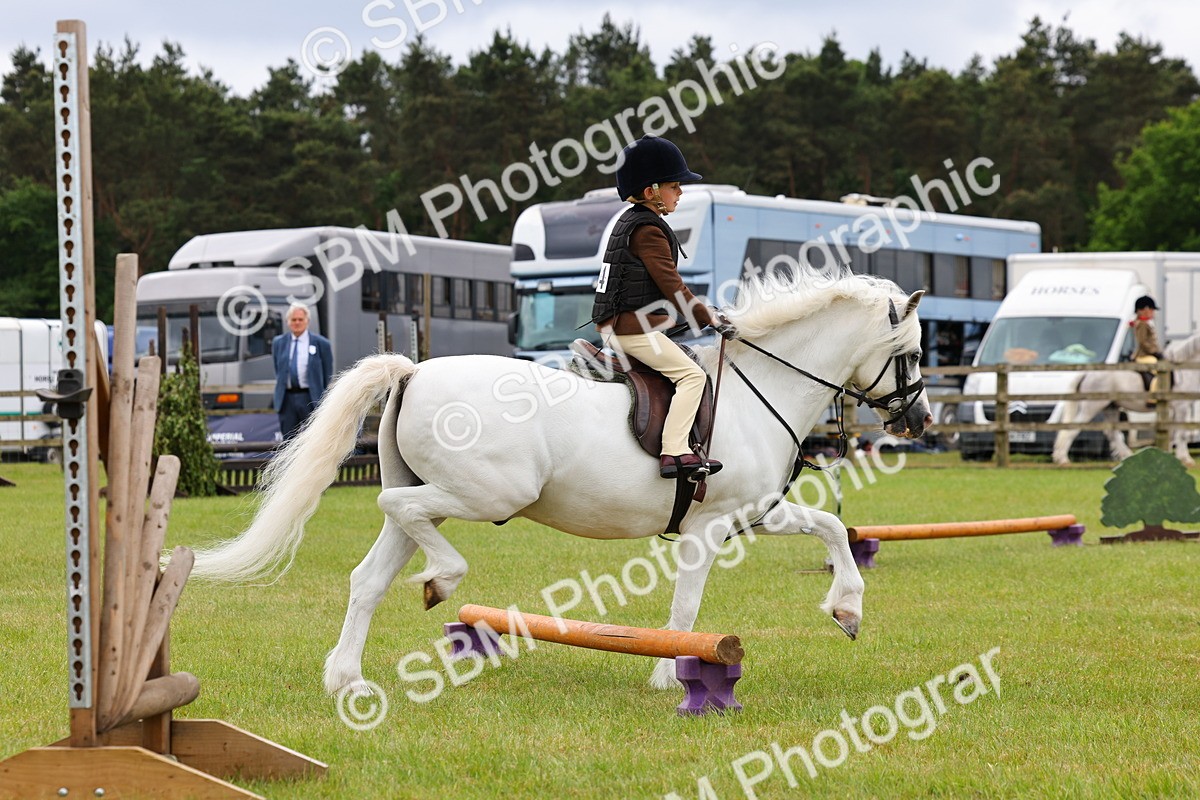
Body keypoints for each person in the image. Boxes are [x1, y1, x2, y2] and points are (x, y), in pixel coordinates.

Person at [590, 135, 736, 479]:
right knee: (692, 375)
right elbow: (673, 286)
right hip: (631, 330)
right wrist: (709, 318)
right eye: (675, 185)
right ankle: (674, 451)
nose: (680, 192)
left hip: (627, 324)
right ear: (652, 190)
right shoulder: (647, 230)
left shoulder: (634, 221)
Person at [273, 303, 334, 441]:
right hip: (287, 399)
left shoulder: (321, 344)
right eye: (293, 320)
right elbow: (278, 371)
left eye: (300, 319)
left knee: (314, 439)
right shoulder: (279, 343)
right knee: (288, 441)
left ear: (307, 321)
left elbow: (326, 374)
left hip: (310, 398)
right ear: (288, 322)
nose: (297, 323)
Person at [1130, 295, 1163, 393]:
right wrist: (1154, 352)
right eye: (1152, 310)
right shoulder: (1142, 324)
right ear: (1145, 309)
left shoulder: (1145, 323)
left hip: (1147, 354)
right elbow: (1143, 342)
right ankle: (1152, 397)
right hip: (1144, 355)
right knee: (1161, 370)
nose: (1153, 313)